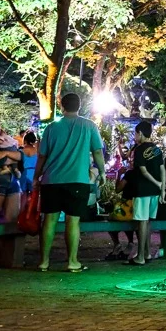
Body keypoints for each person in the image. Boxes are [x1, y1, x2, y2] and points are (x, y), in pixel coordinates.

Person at [37, 93, 105, 273]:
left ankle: (44, 261)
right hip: (77, 180)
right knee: (73, 221)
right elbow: (97, 152)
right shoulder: (89, 126)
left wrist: (37, 177)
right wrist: (102, 172)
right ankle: (73, 261)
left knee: (49, 220)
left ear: (62, 106)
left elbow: (42, 155)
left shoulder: (51, 128)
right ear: (80, 106)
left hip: (51, 180)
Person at [127, 120, 165, 265]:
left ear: (140, 133)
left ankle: (140, 256)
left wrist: (157, 183)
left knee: (142, 222)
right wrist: (162, 188)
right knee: (148, 222)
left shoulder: (139, 149)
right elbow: (162, 169)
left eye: (135, 134)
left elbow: (143, 171)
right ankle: (147, 253)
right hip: (154, 192)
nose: (135, 137)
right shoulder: (156, 149)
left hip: (142, 189)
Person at [20, 130, 39, 195]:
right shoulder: (38, 151)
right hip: (34, 174)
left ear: (25, 141)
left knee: (23, 195)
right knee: (33, 196)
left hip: (24, 173)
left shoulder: (20, 151)